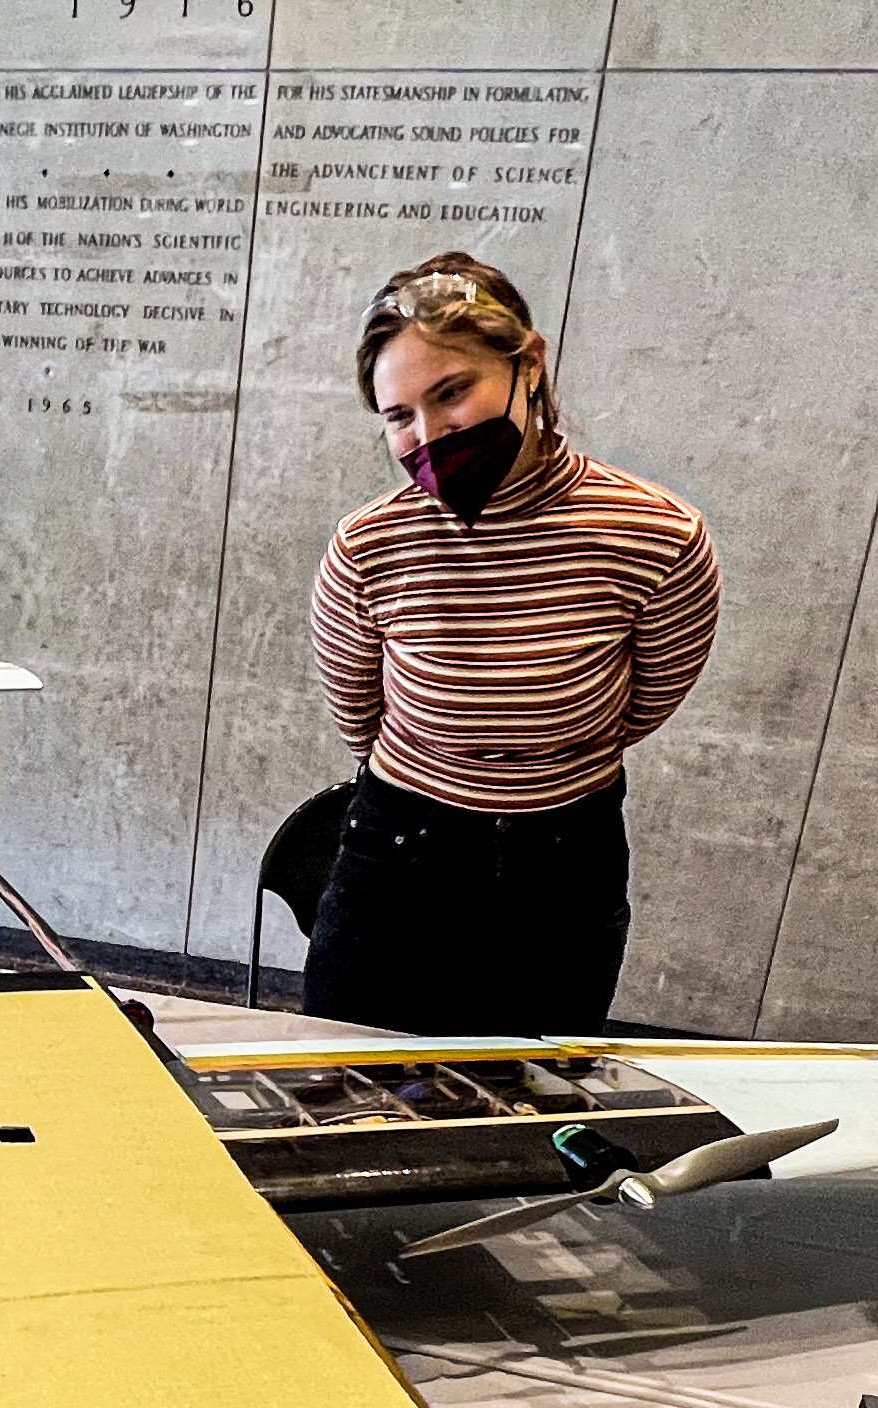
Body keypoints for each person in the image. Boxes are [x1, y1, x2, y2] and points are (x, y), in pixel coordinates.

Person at [300, 254, 719, 1033]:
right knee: (349, 1087)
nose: (429, 434)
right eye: (399, 416)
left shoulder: (657, 536)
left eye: (452, 392)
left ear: (528, 363)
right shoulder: (369, 545)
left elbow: (647, 699)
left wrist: (534, 754)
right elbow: (358, 716)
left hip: (566, 858)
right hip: (400, 850)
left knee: (535, 1092)